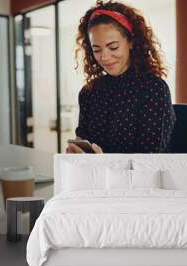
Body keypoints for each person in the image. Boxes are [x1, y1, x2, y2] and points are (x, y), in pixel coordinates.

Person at [67, 0, 176, 154]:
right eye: (96, 49)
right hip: (95, 175)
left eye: (113, 47)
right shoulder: (88, 92)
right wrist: (78, 151)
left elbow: (149, 158)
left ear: (131, 42)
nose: (105, 57)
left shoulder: (153, 88)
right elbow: (83, 140)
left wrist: (104, 161)